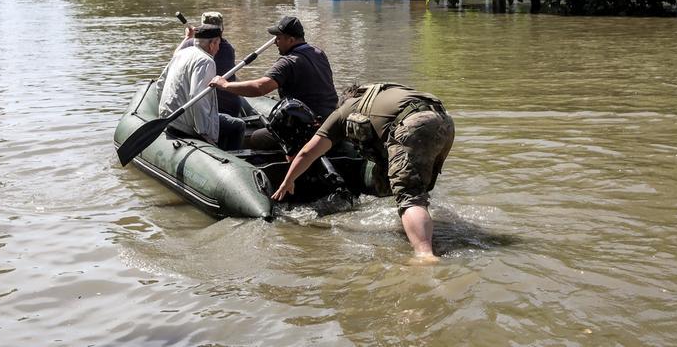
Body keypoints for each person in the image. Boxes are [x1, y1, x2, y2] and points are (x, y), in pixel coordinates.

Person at [271, 83, 455, 259]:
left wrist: (288, 180)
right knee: (416, 188)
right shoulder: (382, 93)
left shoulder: (344, 110)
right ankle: (421, 227)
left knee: (409, 196)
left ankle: (424, 255)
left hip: (414, 124)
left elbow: (307, 152)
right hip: (444, 119)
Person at [209, 16, 338, 150]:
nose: (275, 42)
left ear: (291, 40)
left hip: (306, 126)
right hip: (329, 122)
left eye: (279, 38)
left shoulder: (288, 62)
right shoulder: (319, 53)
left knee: (255, 138)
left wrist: (224, 84)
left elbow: (260, 88)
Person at [156, 24, 245, 151]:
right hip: (186, 125)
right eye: (218, 44)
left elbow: (160, 84)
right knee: (238, 125)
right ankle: (231, 159)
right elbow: (197, 97)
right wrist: (204, 133)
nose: (219, 48)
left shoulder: (181, 53)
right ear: (212, 44)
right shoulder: (206, 61)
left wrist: (164, 115)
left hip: (170, 119)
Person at [175, 11, 241, 117]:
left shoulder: (190, 43)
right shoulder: (228, 48)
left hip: (210, 110)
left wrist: (188, 38)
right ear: (222, 28)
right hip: (228, 109)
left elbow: (175, 58)